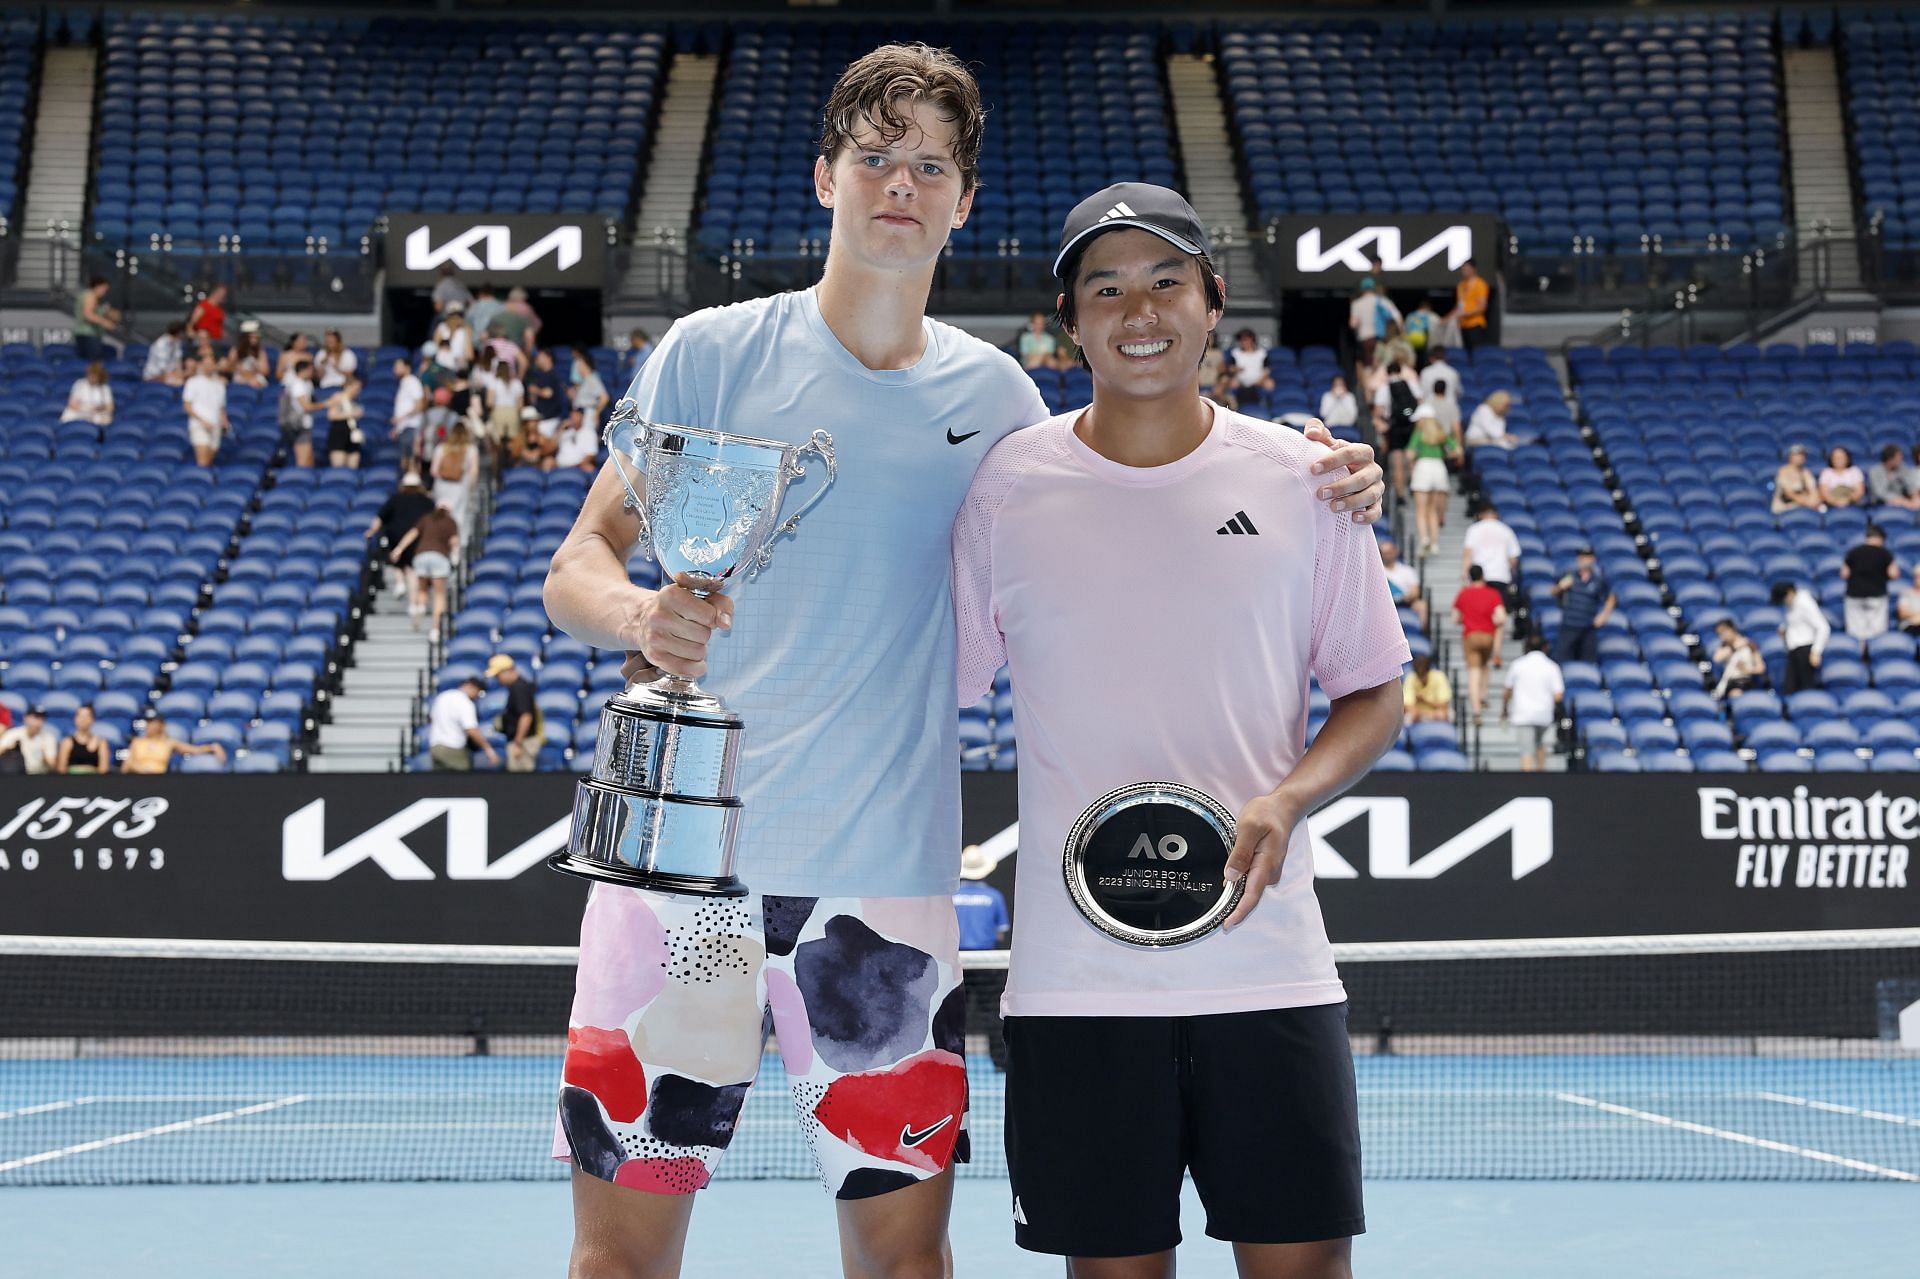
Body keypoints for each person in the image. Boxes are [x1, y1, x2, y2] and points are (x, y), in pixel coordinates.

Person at [537, 45, 1385, 1279]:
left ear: (963, 200)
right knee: (616, 1261)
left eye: (929, 164)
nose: (900, 184)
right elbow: (576, 567)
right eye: (875, 157)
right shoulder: (710, 352)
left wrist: (1327, 477)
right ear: (825, 178)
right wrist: (636, 619)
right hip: (677, 883)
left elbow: (1123, 515)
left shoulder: (999, 407)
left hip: (883, 892)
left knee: (903, 1267)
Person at [949, 185, 1408, 1277]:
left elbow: (1375, 692)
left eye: (1165, 281)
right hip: (1075, 990)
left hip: (1271, 974)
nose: (1137, 309)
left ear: (1213, 306)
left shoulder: (1307, 481)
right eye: (1105, 287)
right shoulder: (1008, 487)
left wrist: (1289, 797)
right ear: (1069, 321)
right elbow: (938, 684)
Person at [951, 843, 1009, 1070]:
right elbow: (1000, 932)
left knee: (954, 1014)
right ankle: (1001, 1062)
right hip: (987, 964)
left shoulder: (952, 896)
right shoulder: (993, 897)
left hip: (958, 963)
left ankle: (951, 1061)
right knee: (992, 1015)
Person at [390, 503, 460, 632]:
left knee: (422, 590)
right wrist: (456, 556)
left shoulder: (426, 518)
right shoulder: (451, 522)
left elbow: (412, 534)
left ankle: (420, 607)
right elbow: (454, 542)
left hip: (421, 556)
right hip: (439, 557)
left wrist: (399, 549)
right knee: (439, 594)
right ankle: (435, 628)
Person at [367, 469, 435, 600]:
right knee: (412, 567)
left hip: (396, 535)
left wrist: (372, 531)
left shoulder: (395, 499)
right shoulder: (426, 501)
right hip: (417, 536)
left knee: (396, 560)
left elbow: (379, 518)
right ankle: (413, 600)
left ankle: (400, 582)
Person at [1452, 565, 1508, 721]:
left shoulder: (1464, 594)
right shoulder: (1493, 594)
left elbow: (1454, 618)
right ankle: (1483, 696)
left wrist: (1467, 618)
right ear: (1483, 576)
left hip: (1471, 636)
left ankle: (1476, 711)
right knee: (1485, 665)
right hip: (1488, 636)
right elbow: (1501, 618)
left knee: (1473, 673)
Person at [1501, 634, 1563, 772]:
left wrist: (1504, 710)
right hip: (1543, 715)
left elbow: (1506, 691)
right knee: (1539, 745)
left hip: (1523, 714)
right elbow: (1558, 696)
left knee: (1526, 750)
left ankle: (1528, 781)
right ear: (1545, 648)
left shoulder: (1518, 665)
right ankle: (1541, 776)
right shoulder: (1552, 667)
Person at [1550, 546, 1616, 665]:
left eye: (1587, 557)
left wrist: (1604, 616)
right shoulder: (1569, 575)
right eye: (1582, 557)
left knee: (1588, 663)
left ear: (1593, 559)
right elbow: (1553, 592)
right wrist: (1561, 587)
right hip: (1569, 625)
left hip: (1588, 627)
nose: (1584, 560)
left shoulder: (1598, 580)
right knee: (1562, 661)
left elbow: (1610, 598)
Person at [1408, 402, 1458, 557]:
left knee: (1421, 510)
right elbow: (1457, 450)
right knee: (1432, 510)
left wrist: (1413, 461)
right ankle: (1435, 543)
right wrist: (1444, 455)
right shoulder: (1441, 432)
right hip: (1439, 468)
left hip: (1424, 467)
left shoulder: (1419, 431)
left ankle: (1424, 539)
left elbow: (1409, 454)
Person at [1462, 502, 1521, 629]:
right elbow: (1513, 559)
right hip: (1501, 576)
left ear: (1480, 514)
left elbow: (1468, 554)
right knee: (1499, 616)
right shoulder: (1506, 530)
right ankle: (1496, 647)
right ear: (1496, 514)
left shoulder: (1474, 529)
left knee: (1481, 612)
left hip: (1480, 577)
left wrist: (1465, 575)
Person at [1841, 523, 1898, 641]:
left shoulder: (1854, 552)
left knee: (1855, 633)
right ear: (1881, 539)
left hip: (1854, 596)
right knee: (1877, 633)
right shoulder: (1884, 553)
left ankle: (1859, 656)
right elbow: (1894, 574)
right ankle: (1874, 657)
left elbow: (1844, 574)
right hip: (1877, 596)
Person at [427, 674, 496, 770]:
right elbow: (471, 729)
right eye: (478, 692)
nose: (477, 696)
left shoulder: (443, 696)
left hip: (435, 746)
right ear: (471, 687)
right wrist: (488, 748)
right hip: (453, 747)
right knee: (461, 783)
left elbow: (432, 718)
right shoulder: (465, 702)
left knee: (440, 782)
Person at [1773, 580, 1829, 694]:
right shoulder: (1792, 605)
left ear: (1789, 592)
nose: (1784, 603)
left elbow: (1823, 627)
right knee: (1790, 688)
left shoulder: (1805, 602)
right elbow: (1796, 623)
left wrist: (1816, 651)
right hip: (1793, 651)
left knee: (1806, 688)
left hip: (1805, 651)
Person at [1376, 360, 1421, 499]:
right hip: (1411, 425)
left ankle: (1400, 495)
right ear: (1400, 371)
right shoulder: (1411, 384)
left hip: (1395, 427)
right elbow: (1419, 403)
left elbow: (1379, 412)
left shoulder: (1384, 388)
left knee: (1398, 463)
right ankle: (1416, 488)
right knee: (1412, 459)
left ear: (1387, 373)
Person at [488, 654, 541, 772]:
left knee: (521, 783)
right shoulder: (517, 687)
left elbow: (526, 716)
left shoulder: (519, 688)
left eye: (498, 675)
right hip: (521, 741)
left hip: (522, 743)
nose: (498, 679)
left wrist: (518, 743)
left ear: (508, 671)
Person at [123, 715, 227, 773]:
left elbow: (193, 750)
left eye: (152, 722)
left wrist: (213, 747)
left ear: (161, 725)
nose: (148, 725)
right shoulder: (137, 741)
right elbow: (126, 766)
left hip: (158, 780)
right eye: (147, 722)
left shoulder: (169, 743)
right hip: (137, 778)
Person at [182, 353, 229, 467]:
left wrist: (225, 422)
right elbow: (187, 406)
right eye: (206, 363)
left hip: (215, 426)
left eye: (211, 363)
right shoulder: (193, 382)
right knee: (202, 462)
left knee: (209, 462)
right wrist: (202, 421)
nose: (208, 366)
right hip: (199, 425)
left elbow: (221, 407)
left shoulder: (220, 385)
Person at [279, 355, 324, 468]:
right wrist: (326, 403)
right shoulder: (298, 384)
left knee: (309, 461)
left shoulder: (307, 384)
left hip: (305, 425)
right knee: (303, 462)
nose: (312, 372)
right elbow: (307, 407)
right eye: (310, 369)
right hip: (299, 426)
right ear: (304, 370)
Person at [1348, 275, 1400, 366]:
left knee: (1368, 365)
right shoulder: (1383, 301)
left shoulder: (1357, 303)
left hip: (1365, 339)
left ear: (1361, 289)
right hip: (1382, 338)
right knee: (1382, 364)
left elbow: (1353, 324)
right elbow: (1397, 317)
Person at [1711, 619, 1769, 699]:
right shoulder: (1724, 647)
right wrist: (1734, 648)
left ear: (1732, 629)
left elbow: (1761, 667)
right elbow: (1716, 658)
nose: (1722, 637)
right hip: (1732, 683)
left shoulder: (1749, 644)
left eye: (1723, 632)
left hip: (1749, 682)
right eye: (1719, 634)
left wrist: (1748, 670)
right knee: (1736, 695)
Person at [1380, 535, 1425, 628]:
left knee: (1421, 605)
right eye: (1384, 553)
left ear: (1395, 552)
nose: (1387, 555)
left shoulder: (1407, 570)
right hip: (1385, 603)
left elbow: (1415, 591)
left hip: (1405, 602)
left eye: (1389, 552)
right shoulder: (1377, 571)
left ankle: (1420, 634)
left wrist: (1408, 596)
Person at [324, 374, 367, 469]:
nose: (358, 391)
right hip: (339, 434)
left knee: (353, 468)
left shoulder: (355, 401)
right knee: (339, 469)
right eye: (357, 388)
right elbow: (331, 415)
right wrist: (351, 414)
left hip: (352, 434)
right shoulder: (338, 397)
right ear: (349, 386)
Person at [72, 276, 120, 361]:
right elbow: (88, 314)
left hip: (89, 335)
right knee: (94, 363)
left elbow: (115, 316)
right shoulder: (90, 295)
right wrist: (105, 323)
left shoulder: (96, 299)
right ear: (97, 286)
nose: (105, 292)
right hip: (88, 335)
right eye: (104, 289)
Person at [0, 706, 59, 775]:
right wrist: (8, 749)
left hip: (40, 776)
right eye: (36, 717)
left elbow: (53, 766)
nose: (39, 721)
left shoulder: (48, 738)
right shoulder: (13, 734)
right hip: (17, 775)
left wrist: (45, 755)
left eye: (42, 718)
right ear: (26, 718)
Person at [390, 356, 428, 465]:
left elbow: (419, 405)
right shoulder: (403, 383)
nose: (395, 368)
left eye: (398, 366)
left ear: (407, 367)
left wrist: (402, 418)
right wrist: (397, 428)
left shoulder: (412, 382)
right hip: (404, 428)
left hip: (411, 427)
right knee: (405, 462)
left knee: (412, 462)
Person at [56, 704, 113, 775]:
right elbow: (61, 769)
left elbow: (103, 770)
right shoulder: (67, 742)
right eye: (80, 716)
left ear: (93, 720)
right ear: (75, 719)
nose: (83, 719)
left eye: (87, 716)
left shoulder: (101, 742)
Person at [59, 361, 115, 431]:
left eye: (95, 376)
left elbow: (110, 408)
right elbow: (72, 403)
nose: (92, 378)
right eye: (91, 375)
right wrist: (86, 410)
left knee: (107, 419)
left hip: (96, 414)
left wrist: (100, 408)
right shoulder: (80, 383)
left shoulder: (104, 388)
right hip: (79, 412)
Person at [1449, 259, 1490, 351]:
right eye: (1462, 269)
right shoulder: (1461, 285)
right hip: (1462, 325)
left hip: (1475, 324)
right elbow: (1459, 306)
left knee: (1476, 352)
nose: (1464, 271)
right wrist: (1447, 318)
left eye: (1466, 269)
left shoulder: (1480, 284)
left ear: (1473, 269)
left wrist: (1465, 314)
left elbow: (1482, 307)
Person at [1226, 328, 1276, 404]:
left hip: (1259, 380)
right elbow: (1231, 368)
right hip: (1241, 380)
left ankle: (1267, 405)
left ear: (1252, 340)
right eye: (1241, 340)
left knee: (1269, 384)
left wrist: (1260, 380)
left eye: (1246, 340)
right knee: (1232, 383)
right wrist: (1236, 369)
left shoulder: (1262, 353)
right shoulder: (1235, 353)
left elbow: (1267, 370)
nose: (1243, 342)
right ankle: (1233, 405)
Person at [1771, 443, 1823, 514]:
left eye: (1803, 455)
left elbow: (1813, 490)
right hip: (1784, 509)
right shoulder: (1783, 471)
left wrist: (1814, 500)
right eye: (1798, 455)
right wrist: (1807, 502)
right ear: (1790, 456)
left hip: (1804, 507)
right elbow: (1788, 494)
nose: (1801, 457)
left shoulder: (1806, 472)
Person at [1402, 652, 1452, 723]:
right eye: (1419, 675)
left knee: (1442, 714)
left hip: (1436, 714)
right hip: (1418, 715)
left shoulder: (1439, 677)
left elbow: (1444, 705)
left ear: (1428, 671)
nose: (1421, 678)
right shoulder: (1411, 678)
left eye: (1423, 675)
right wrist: (1419, 713)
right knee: (1410, 716)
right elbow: (1407, 706)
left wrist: (1425, 700)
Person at [224, 322, 270, 388]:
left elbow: (265, 371)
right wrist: (237, 366)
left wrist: (256, 367)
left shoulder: (260, 351)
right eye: (252, 336)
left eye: (256, 337)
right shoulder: (236, 350)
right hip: (240, 379)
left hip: (255, 379)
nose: (254, 339)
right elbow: (228, 369)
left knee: (257, 382)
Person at [145, 320, 189, 385]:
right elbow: (163, 368)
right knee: (179, 382)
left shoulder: (177, 342)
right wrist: (176, 376)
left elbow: (178, 360)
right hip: (153, 376)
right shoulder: (160, 344)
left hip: (169, 374)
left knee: (188, 379)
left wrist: (179, 373)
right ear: (180, 333)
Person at [1419, 345, 1460, 410]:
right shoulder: (1453, 372)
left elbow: (1421, 394)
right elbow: (1458, 393)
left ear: (1431, 358)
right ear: (1445, 357)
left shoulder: (1425, 372)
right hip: (1449, 408)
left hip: (1431, 409)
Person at [1898, 564, 1920, 638]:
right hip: (1910, 625)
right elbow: (1903, 613)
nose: (1918, 579)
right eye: (1917, 576)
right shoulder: (1906, 593)